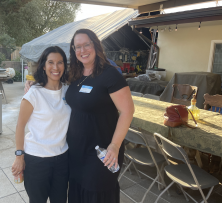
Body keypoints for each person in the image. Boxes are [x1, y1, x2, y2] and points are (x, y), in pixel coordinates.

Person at [66, 29, 134, 203]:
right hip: (76, 150)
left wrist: (114, 146)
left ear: (95, 45)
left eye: (86, 44)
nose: (82, 50)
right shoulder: (75, 74)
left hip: (102, 151)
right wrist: (33, 82)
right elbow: (51, 78)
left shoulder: (110, 74)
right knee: (79, 192)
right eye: (77, 47)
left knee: (97, 194)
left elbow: (128, 111)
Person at [12, 46, 71, 203]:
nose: (55, 67)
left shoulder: (68, 91)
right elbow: (20, 126)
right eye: (50, 62)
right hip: (37, 159)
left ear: (65, 66)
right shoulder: (34, 93)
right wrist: (19, 156)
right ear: (43, 66)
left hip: (62, 157)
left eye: (60, 62)